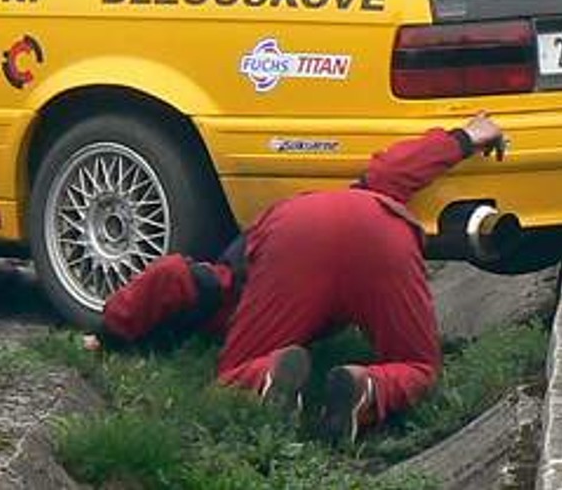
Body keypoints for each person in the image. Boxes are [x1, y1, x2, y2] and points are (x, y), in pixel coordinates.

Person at [96, 114, 509, 443]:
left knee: (236, 374)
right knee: (418, 365)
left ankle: (271, 375)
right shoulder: (368, 187)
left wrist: (109, 332)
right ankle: (368, 387)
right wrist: (466, 136)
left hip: (292, 243)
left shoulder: (220, 290)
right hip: (377, 221)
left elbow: (171, 276)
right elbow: (395, 167)